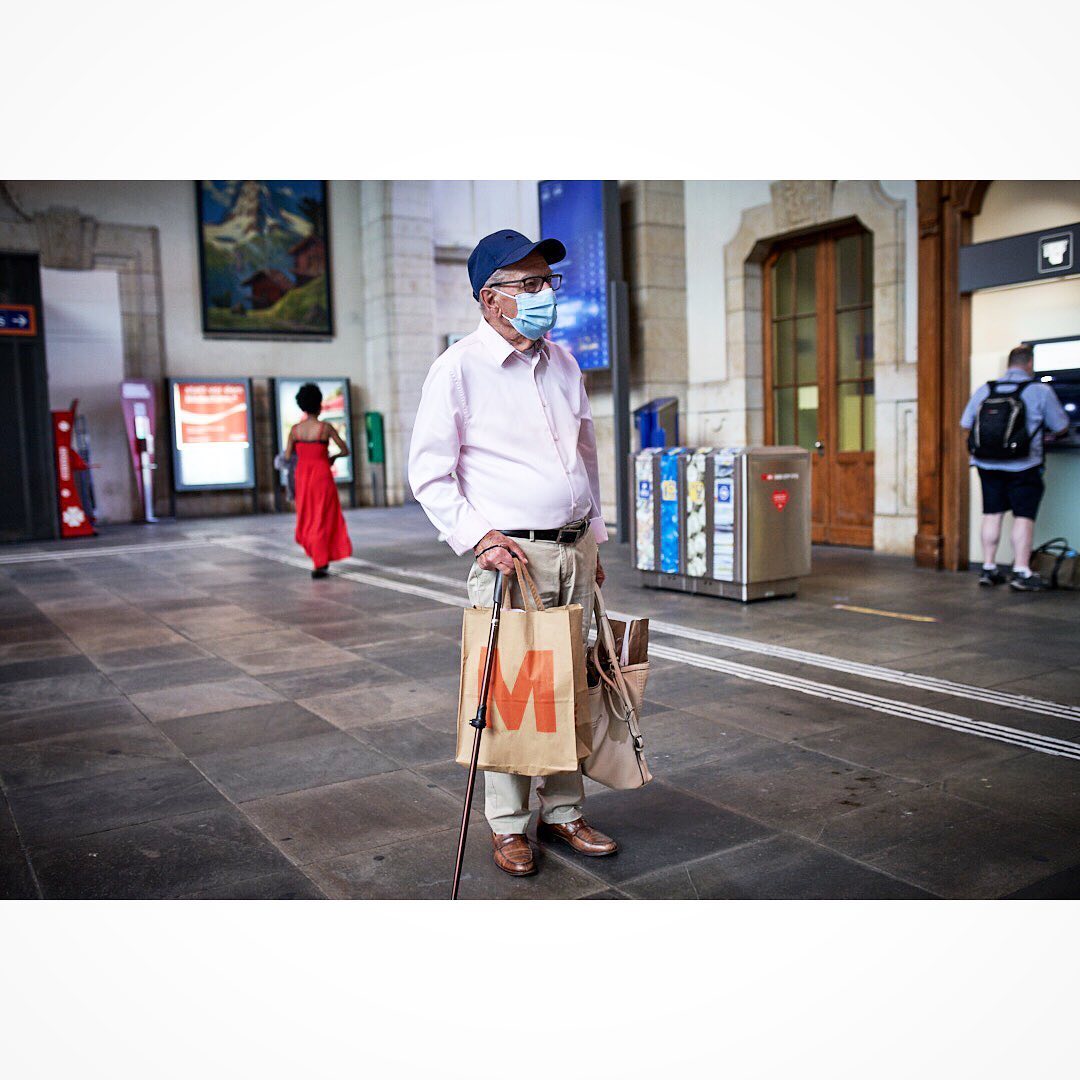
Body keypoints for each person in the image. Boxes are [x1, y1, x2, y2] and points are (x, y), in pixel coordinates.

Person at [408, 229, 616, 878]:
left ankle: (563, 811)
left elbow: (585, 456)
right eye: (528, 285)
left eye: (547, 283)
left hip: (573, 549)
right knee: (509, 692)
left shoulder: (564, 363)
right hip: (513, 560)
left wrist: (596, 535)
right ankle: (507, 825)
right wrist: (477, 538)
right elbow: (429, 473)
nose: (543, 295)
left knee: (568, 686)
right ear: (488, 299)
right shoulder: (457, 369)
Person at [960, 344, 1069, 591]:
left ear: (1008, 363)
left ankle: (988, 568)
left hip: (987, 464)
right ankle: (1021, 570)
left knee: (992, 513)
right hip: (1023, 465)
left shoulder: (986, 389)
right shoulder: (1040, 390)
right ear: (1029, 363)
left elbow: (965, 423)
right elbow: (1061, 425)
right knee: (1023, 517)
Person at [285, 382, 352, 578]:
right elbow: (345, 450)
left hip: (303, 477)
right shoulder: (325, 428)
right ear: (319, 404)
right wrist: (332, 457)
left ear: (302, 405)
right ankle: (320, 561)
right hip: (322, 474)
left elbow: (288, 457)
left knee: (307, 515)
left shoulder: (295, 430)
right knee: (322, 516)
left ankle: (318, 559)